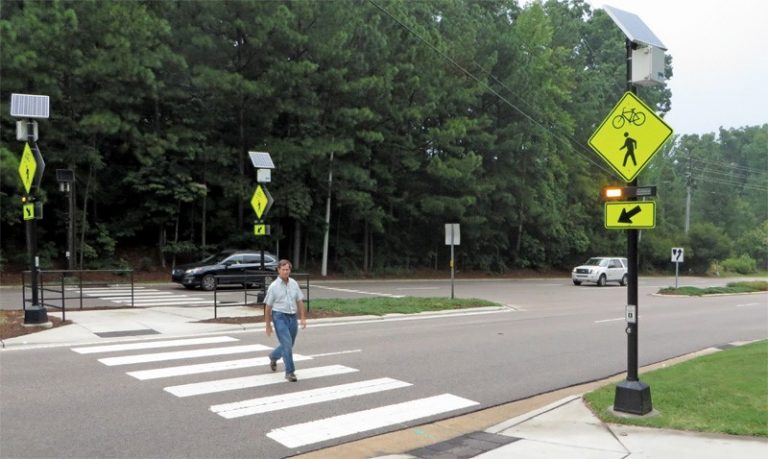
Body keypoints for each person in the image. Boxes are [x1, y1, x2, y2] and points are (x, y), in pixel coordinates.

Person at [264, 259, 306, 382]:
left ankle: (273, 356)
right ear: (278, 270)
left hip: (292, 317)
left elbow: (299, 301)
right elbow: (268, 307)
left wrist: (302, 317)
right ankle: (290, 372)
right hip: (279, 317)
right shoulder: (274, 287)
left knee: (289, 344)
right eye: (283, 269)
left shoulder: (293, 283)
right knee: (287, 344)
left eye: (287, 269)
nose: (286, 272)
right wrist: (268, 325)